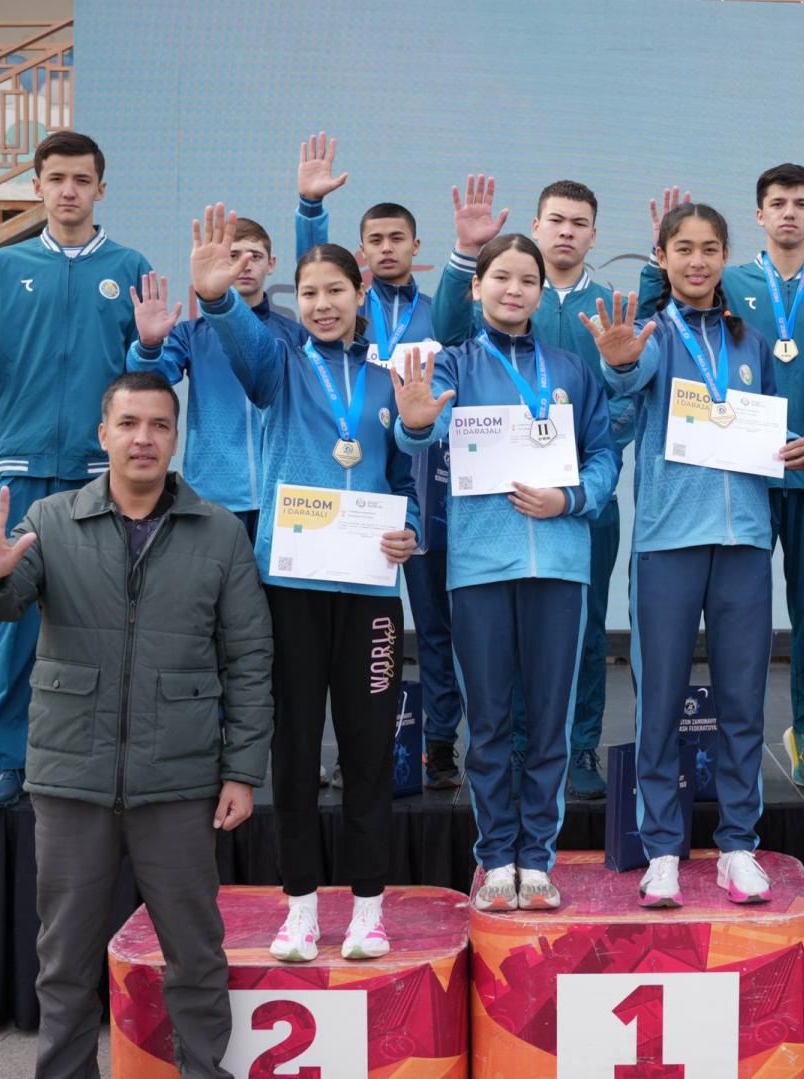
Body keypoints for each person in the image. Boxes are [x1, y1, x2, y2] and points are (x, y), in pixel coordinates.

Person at [0, 371, 270, 1078]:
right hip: (73, 778)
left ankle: (204, 1070)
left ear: (176, 438)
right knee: (64, 960)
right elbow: (3, 597)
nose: (143, 438)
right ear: (103, 434)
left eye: (159, 424)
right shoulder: (52, 521)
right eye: (128, 423)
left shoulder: (219, 532)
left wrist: (243, 770)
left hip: (179, 780)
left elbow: (250, 657)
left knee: (195, 953)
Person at [191, 205, 419, 963]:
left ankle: (368, 908)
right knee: (292, 748)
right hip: (289, 588)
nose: (322, 304)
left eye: (335, 290)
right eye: (310, 292)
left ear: (361, 293)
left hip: (370, 595)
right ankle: (298, 908)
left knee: (368, 750)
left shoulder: (388, 381)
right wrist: (218, 298)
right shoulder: (280, 365)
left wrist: (411, 529)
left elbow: (405, 482)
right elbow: (242, 341)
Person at [0, 130, 152, 808]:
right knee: (15, 625)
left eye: (82, 179)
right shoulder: (3, 266)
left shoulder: (130, 266)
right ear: (37, 186)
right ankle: (13, 762)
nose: (69, 190)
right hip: (20, 471)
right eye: (57, 178)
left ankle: (106, 759)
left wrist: (155, 347)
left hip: (102, 474)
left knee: (107, 619)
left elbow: (151, 370)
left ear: (101, 188)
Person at [584, 202, 804, 908]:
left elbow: (769, 424)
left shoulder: (751, 339)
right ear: (662, 256)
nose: (697, 260)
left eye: (710, 248)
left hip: (744, 541)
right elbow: (628, 383)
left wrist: (791, 450)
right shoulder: (653, 334)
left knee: (743, 702)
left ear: (724, 257)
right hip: (667, 541)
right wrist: (620, 362)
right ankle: (661, 848)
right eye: (683, 248)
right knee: (660, 700)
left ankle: (738, 844)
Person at [393, 233, 618, 911]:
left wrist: (569, 499)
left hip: (560, 564)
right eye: (501, 278)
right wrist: (413, 425)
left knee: (548, 720)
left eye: (527, 280)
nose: (514, 289)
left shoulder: (571, 369)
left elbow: (603, 454)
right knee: (489, 721)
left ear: (542, 294)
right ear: (476, 287)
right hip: (480, 567)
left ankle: (538, 858)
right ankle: (495, 856)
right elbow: (419, 433)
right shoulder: (452, 364)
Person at [639, 167, 804, 791]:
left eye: (801, 203)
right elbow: (652, 335)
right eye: (777, 203)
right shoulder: (728, 285)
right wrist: (654, 264)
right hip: (732, 488)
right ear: (759, 215)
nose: (789, 212)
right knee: (700, 654)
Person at [433, 176, 632, 800]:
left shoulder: (609, 304)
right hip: (496, 515)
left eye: (579, 222)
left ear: (593, 234)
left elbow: (618, 403)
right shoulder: (495, 309)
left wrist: (577, 488)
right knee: (501, 654)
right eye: (556, 220)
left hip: (577, 505)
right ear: (538, 227)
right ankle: (516, 749)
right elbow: (446, 329)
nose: (567, 230)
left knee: (585, 634)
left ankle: (580, 746)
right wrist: (465, 253)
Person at [287, 130, 457, 793]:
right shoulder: (345, 313)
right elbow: (314, 273)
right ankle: (343, 753)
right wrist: (310, 209)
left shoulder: (437, 312)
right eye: (375, 240)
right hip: (351, 493)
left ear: (416, 247)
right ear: (361, 256)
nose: (387, 248)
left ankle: (440, 745)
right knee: (348, 639)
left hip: (425, 485)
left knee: (433, 627)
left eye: (397, 239)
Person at [126, 216, 304, 538]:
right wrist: (149, 345)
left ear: (272, 264)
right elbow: (149, 383)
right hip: (213, 496)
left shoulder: (294, 334)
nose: (244, 265)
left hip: (282, 496)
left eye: (255, 256)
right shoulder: (191, 334)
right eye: (233, 256)